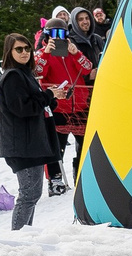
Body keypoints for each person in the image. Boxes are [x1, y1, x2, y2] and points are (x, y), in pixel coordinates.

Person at [0, 34, 58, 229]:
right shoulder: (13, 76)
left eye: (27, 48)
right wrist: (48, 95)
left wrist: (53, 97)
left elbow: (36, 106)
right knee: (28, 195)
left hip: (31, 143)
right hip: (22, 145)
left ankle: (25, 235)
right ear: (9, 52)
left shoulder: (25, 73)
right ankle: (18, 236)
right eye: (19, 49)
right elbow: (22, 109)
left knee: (32, 195)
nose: (24, 52)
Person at [36, 22, 94, 186]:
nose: (58, 38)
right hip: (57, 108)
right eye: (54, 34)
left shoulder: (72, 51)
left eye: (61, 34)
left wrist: (76, 53)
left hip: (79, 106)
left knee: (84, 144)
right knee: (57, 146)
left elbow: (87, 69)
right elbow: (38, 72)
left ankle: (81, 174)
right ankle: (55, 180)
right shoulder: (41, 53)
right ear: (48, 35)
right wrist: (47, 54)